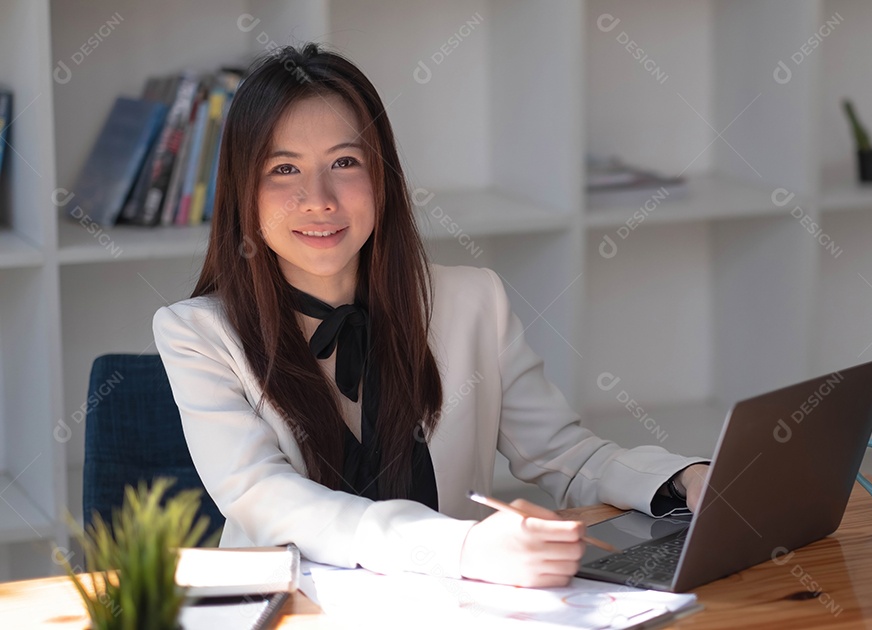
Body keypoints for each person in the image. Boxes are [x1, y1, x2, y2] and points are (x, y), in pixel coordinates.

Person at [152, 43, 709, 588]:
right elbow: (265, 497)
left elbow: (566, 456)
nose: (317, 198)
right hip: (291, 612)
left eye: (344, 162)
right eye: (283, 169)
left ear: (382, 177)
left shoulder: (473, 302)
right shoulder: (197, 333)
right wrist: (462, 547)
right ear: (242, 192)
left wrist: (682, 478)